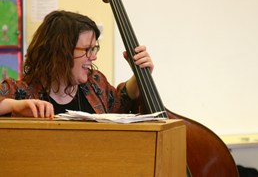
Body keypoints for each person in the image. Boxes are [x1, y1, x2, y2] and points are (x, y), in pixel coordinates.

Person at [0, 10, 154, 118]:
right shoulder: (20, 91)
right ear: (60, 52)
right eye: (87, 49)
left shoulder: (95, 85)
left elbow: (122, 105)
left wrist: (140, 74)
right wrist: (14, 106)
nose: (93, 57)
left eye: (94, 49)